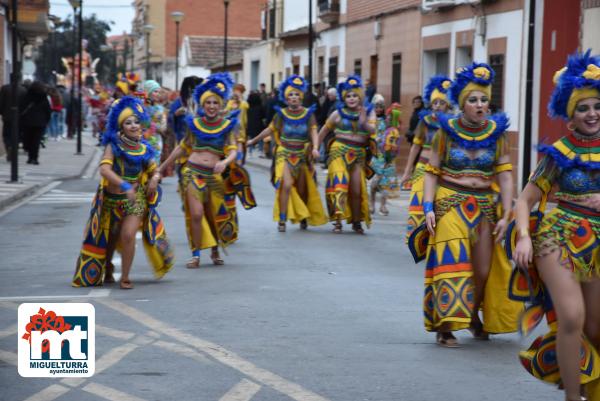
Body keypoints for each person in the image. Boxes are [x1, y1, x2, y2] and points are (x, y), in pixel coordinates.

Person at [511, 50, 600, 401]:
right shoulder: (559, 153)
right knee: (572, 317)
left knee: (595, 328)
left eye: (596, 106)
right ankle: (572, 398)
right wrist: (523, 238)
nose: (592, 113)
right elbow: (524, 201)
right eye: (583, 108)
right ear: (570, 115)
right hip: (557, 237)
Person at [417, 62, 521, 347]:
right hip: (450, 201)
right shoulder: (445, 132)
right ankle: (446, 326)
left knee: (483, 270)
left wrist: (507, 213)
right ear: (462, 104)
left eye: (483, 99)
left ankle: (472, 315)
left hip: (485, 207)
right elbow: (431, 172)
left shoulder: (497, 135)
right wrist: (428, 207)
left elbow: (506, 176)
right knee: (452, 264)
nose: (479, 105)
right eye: (473, 100)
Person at [72, 96, 174, 289]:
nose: (134, 126)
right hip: (111, 200)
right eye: (128, 122)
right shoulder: (113, 146)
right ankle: (107, 266)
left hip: (136, 200)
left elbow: (156, 171)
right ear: (121, 126)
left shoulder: (144, 149)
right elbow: (104, 170)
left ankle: (125, 276)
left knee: (127, 235)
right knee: (109, 237)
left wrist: (153, 179)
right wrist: (124, 186)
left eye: (136, 122)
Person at [159, 73, 239, 268]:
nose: (211, 106)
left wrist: (225, 162)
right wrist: (161, 167)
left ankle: (214, 250)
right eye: (208, 103)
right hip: (192, 172)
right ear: (202, 105)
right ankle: (195, 254)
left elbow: (233, 150)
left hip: (214, 175)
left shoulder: (227, 126)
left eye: (215, 103)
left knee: (213, 214)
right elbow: (182, 148)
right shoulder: (194, 124)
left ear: (220, 105)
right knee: (195, 214)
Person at [248, 75, 327, 232]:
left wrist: (316, 147)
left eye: (297, 94)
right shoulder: (281, 114)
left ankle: (304, 216)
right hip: (284, 153)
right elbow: (270, 130)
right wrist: (253, 140)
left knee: (303, 188)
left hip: (302, 155)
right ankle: (282, 219)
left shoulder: (308, 114)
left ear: (301, 97)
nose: (294, 97)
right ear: (286, 97)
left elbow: (313, 131)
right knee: (287, 184)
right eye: (290, 94)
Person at [316, 75, 376, 234]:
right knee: (340, 185)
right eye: (348, 96)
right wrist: (315, 148)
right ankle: (337, 221)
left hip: (358, 155)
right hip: (338, 152)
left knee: (356, 190)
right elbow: (323, 131)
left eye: (355, 95)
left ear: (361, 96)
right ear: (344, 97)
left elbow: (374, 131)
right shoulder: (337, 113)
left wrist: (364, 122)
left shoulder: (369, 112)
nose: (351, 98)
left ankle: (357, 221)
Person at [400, 76, 452, 241]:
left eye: (441, 103)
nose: (437, 106)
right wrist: (407, 171)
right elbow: (416, 146)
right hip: (422, 167)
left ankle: (434, 238)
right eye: (435, 103)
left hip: (442, 171)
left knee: (438, 205)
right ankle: (415, 239)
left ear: (448, 105)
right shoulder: (425, 121)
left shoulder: (453, 124)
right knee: (418, 202)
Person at [369, 95, 401, 216]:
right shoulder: (370, 119)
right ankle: (371, 203)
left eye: (381, 106)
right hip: (376, 153)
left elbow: (394, 132)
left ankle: (383, 205)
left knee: (386, 181)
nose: (378, 109)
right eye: (376, 106)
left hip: (388, 153)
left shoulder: (387, 119)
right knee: (376, 180)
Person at [20, 81, 51, 165]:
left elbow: (22, 107)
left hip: (28, 122)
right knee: (36, 141)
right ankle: (34, 158)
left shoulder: (27, 96)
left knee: (28, 139)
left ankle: (30, 157)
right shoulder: (44, 97)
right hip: (40, 123)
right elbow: (48, 111)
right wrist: (47, 121)